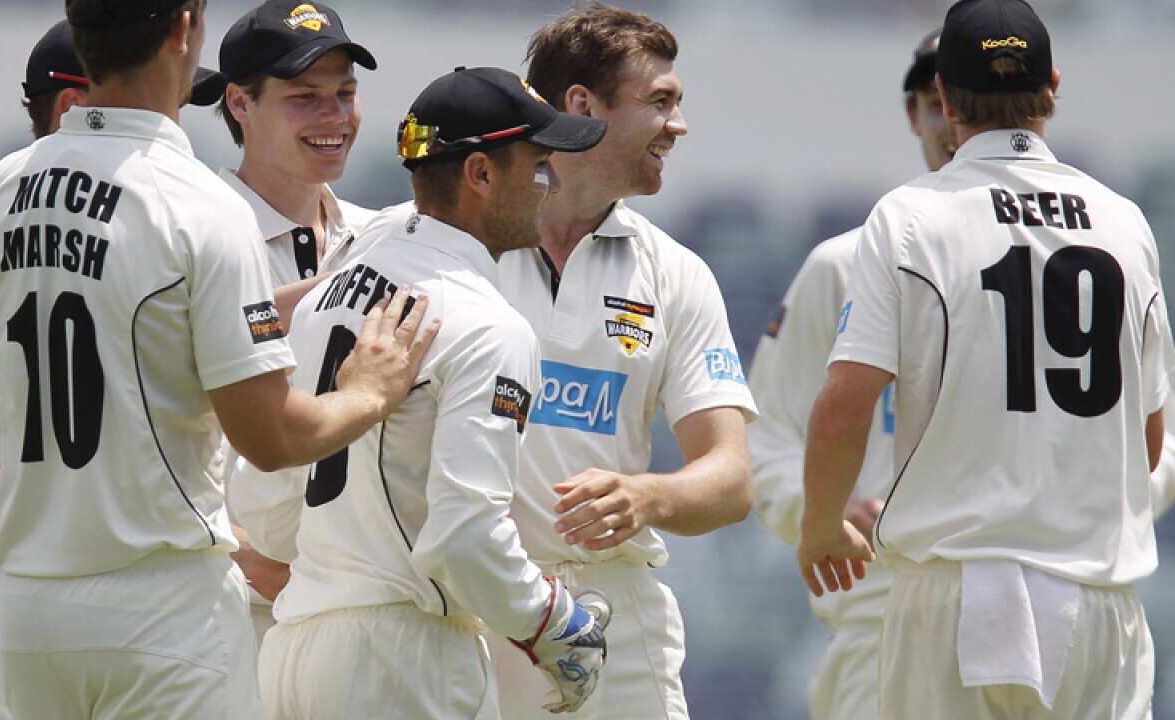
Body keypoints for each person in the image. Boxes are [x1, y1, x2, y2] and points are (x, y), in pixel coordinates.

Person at [0, 1, 436, 717]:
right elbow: (271, 436)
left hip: (32, 605)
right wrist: (369, 392)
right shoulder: (198, 205)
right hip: (163, 600)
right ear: (185, 29)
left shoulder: (6, 185)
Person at [799, 1, 1169, 718]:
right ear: (1053, 87)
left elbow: (845, 407)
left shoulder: (909, 217)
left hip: (956, 592)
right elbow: (1150, 444)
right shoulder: (1125, 221)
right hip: (1101, 599)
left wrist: (819, 528)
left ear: (944, 96)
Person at [254, 66, 610, 719]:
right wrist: (554, 622)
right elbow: (463, 536)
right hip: (403, 662)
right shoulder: (490, 324)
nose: (551, 184)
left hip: (294, 650)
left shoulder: (331, 290)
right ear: (479, 175)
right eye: (537, 165)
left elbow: (268, 514)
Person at [0, 18, 222, 719]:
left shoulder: (120, 245)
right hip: (0, 624)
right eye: (171, 101)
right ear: (77, 108)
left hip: (49, 620)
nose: (178, 127)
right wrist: (43, 557)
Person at [490, 4, 757, 718]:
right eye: (660, 102)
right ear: (581, 106)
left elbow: (731, 479)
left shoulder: (675, 273)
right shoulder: (461, 241)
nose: (679, 124)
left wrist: (649, 498)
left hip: (616, 613)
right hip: (471, 609)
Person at [745, 28, 955, 719]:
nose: (954, 124)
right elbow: (763, 438)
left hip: (1048, 598)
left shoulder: (1088, 260)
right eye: (936, 103)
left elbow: (1153, 448)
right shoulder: (847, 262)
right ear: (913, 115)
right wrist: (824, 511)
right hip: (882, 616)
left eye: (969, 102)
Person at [213, 0, 380, 645]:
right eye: (304, 97)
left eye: (344, 93)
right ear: (239, 104)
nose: (334, 116)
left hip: (356, 614)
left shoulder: (380, 241)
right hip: (230, 610)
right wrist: (242, 557)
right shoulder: (191, 238)